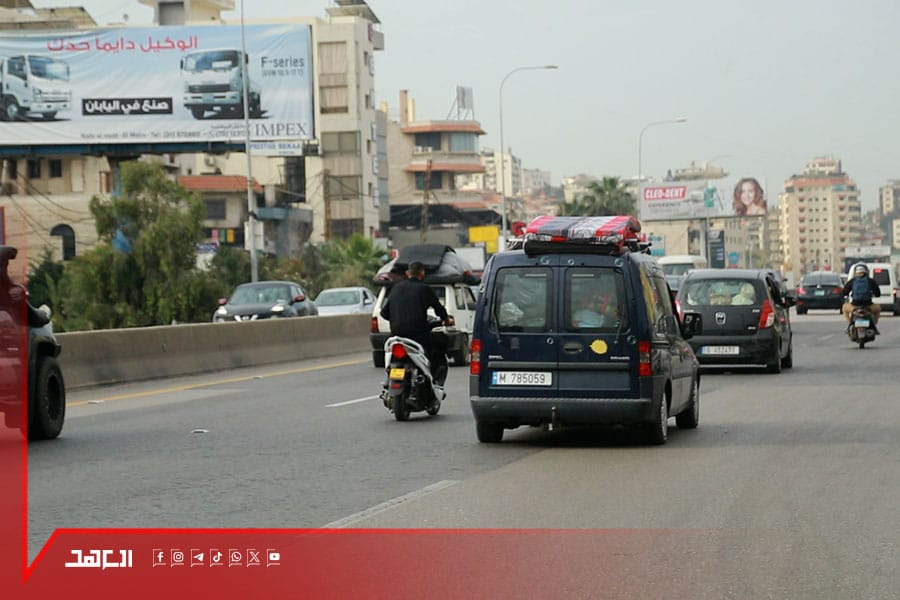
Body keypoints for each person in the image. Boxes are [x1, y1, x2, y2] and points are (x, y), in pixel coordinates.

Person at [380, 261, 454, 385]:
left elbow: (384, 313)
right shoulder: (424, 289)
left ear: (408, 273)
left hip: (396, 335)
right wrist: (447, 320)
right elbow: (439, 309)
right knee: (441, 342)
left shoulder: (396, 288)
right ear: (422, 273)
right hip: (418, 337)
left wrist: (397, 319)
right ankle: (434, 380)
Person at [842, 263, 881, 331]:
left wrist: (847, 295)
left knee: (844, 308)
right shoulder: (870, 281)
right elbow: (878, 293)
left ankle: (850, 324)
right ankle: (874, 324)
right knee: (878, 309)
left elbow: (845, 292)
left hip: (854, 305)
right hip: (868, 305)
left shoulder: (852, 281)